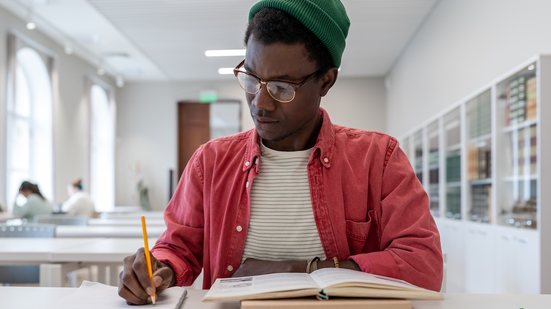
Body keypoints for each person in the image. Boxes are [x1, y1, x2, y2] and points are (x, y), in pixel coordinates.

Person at [118, 0, 443, 305]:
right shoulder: (211, 162)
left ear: (326, 81)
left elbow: (423, 263)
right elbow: (178, 248)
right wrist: (157, 268)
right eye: (252, 78)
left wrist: (299, 270)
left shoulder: (378, 159)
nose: (261, 102)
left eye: (282, 88)